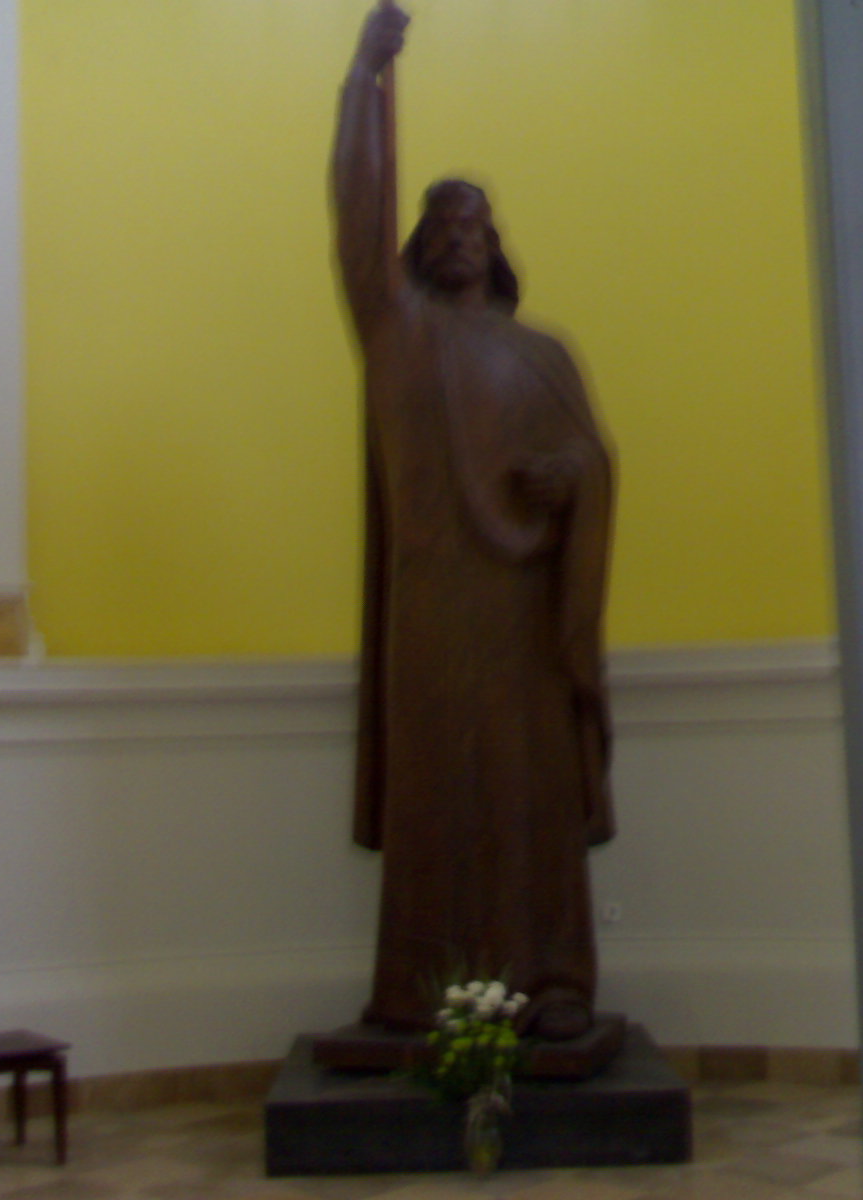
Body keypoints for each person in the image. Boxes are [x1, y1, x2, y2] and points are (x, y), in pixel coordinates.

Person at [333, 1, 616, 1042]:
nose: (456, 235)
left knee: (527, 797)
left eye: (473, 225)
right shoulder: (397, 334)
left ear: (496, 249)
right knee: (438, 798)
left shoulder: (544, 356)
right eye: (440, 224)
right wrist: (364, 82)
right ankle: (423, 991)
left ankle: (552, 980)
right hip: (433, 614)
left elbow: (595, 461)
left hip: (524, 616)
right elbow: (356, 220)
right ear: (419, 246)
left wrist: (571, 476)